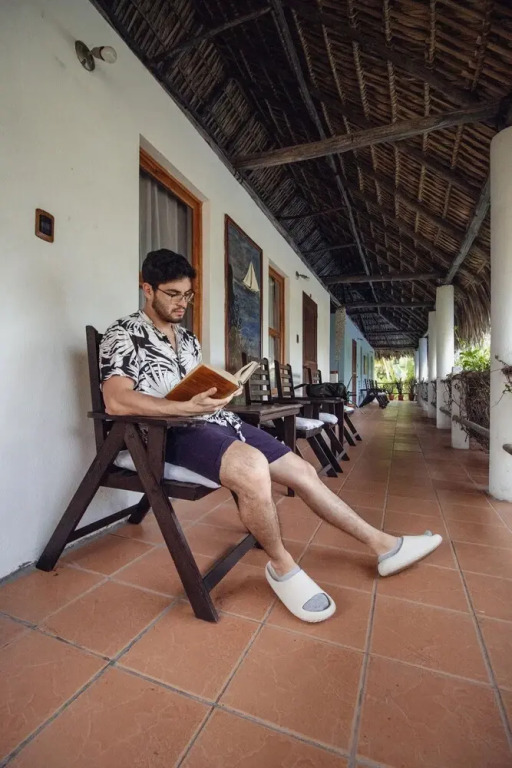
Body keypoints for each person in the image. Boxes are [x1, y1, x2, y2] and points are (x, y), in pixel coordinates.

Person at [100, 249, 442, 623]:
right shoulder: (123, 334)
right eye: (173, 294)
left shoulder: (187, 338)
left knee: (303, 471)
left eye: (188, 295)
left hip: (214, 421)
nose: (183, 302)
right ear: (147, 289)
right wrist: (181, 409)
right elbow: (116, 400)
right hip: (166, 434)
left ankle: (384, 546)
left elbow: (190, 388)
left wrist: (217, 394)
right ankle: (281, 566)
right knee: (252, 469)